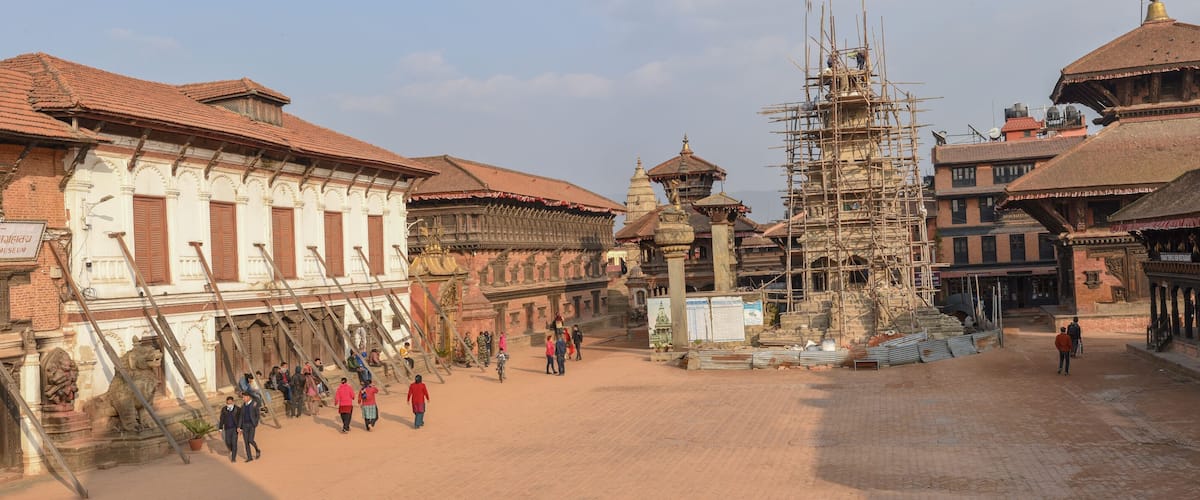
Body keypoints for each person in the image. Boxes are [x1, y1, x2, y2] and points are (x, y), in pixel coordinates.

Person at [239, 391, 261, 462]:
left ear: (248, 397)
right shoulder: (243, 406)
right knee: (246, 442)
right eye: (243, 397)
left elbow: (257, 415)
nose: (243, 399)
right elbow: (241, 417)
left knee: (250, 440)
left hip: (251, 425)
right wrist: (239, 427)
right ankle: (249, 457)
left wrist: (256, 423)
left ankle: (257, 450)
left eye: (244, 397)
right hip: (245, 425)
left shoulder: (254, 404)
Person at [217, 396, 241, 462]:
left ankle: (233, 458)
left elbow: (240, 419)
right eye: (228, 402)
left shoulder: (238, 409)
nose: (229, 404)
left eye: (230, 402)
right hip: (227, 428)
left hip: (235, 429)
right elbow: (221, 419)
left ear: (233, 402)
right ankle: (231, 449)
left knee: (234, 442)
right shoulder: (224, 409)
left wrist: (240, 428)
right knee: (228, 442)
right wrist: (220, 428)